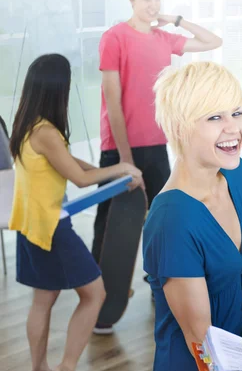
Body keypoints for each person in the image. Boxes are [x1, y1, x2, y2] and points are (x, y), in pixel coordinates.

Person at [92, 0, 222, 334]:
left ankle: (159, 288)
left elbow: (213, 40)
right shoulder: (114, 37)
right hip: (120, 150)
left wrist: (175, 19)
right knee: (110, 226)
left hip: (157, 146)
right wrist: (125, 159)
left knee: (164, 222)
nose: (152, 4)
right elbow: (113, 101)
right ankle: (99, 301)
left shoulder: (165, 38)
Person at [143, 61, 242, 370]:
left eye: (237, 112)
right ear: (180, 127)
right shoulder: (172, 221)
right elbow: (202, 344)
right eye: (214, 117)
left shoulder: (237, 174)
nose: (234, 128)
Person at [8, 54, 142, 371]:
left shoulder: (29, 124)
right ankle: (67, 366)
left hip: (31, 225)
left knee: (43, 300)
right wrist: (122, 166)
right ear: (59, 89)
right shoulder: (47, 133)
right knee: (95, 294)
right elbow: (80, 179)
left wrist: (111, 174)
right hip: (52, 230)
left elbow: (69, 163)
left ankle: (39, 368)